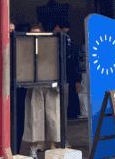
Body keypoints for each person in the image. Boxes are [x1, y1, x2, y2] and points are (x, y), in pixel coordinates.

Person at [23, 24, 60, 158]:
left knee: (53, 118)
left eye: (38, 33)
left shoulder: (50, 46)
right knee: (34, 118)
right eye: (33, 33)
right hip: (35, 88)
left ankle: (53, 146)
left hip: (50, 86)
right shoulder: (26, 48)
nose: (36, 36)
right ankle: (34, 146)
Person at [54, 19, 82, 120]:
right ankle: (72, 113)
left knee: (65, 92)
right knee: (72, 92)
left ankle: (66, 114)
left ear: (58, 27)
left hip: (64, 69)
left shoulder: (60, 38)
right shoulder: (69, 39)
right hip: (72, 68)